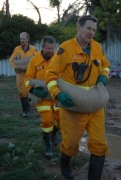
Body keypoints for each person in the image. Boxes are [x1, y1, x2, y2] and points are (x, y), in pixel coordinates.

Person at [45, 15, 110, 180]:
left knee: (99, 145)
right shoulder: (65, 49)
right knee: (71, 144)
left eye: (94, 30)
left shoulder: (97, 48)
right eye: (88, 28)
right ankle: (65, 164)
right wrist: (58, 93)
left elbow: (106, 66)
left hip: (95, 106)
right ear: (78, 27)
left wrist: (103, 75)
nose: (91, 33)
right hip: (73, 107)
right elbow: (51, 75)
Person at [24, 36, 60, 159]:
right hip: (42, 97)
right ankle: (48, 147)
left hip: (56, 95)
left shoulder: (58, 58)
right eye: (48, 48)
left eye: (52, 48)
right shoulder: (34, 61)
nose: (51, 50)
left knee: (60, 120)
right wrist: (33, 90)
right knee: (47, 120)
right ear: (42, 47)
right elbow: (27, 78)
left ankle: (54, 134)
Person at [10, 32, 37, 118]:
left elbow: (37, 60)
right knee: (22, 92)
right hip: (20, 75)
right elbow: (12, 60)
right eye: (21, 39)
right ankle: (26, 111)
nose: (22, 40)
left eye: (24, 39)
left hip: (30, 74)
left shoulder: (33, 49)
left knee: (31, 91)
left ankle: (33, 108)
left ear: (28, 39)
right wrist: (16, 67)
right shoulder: (17, 49)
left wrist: (28, 67)